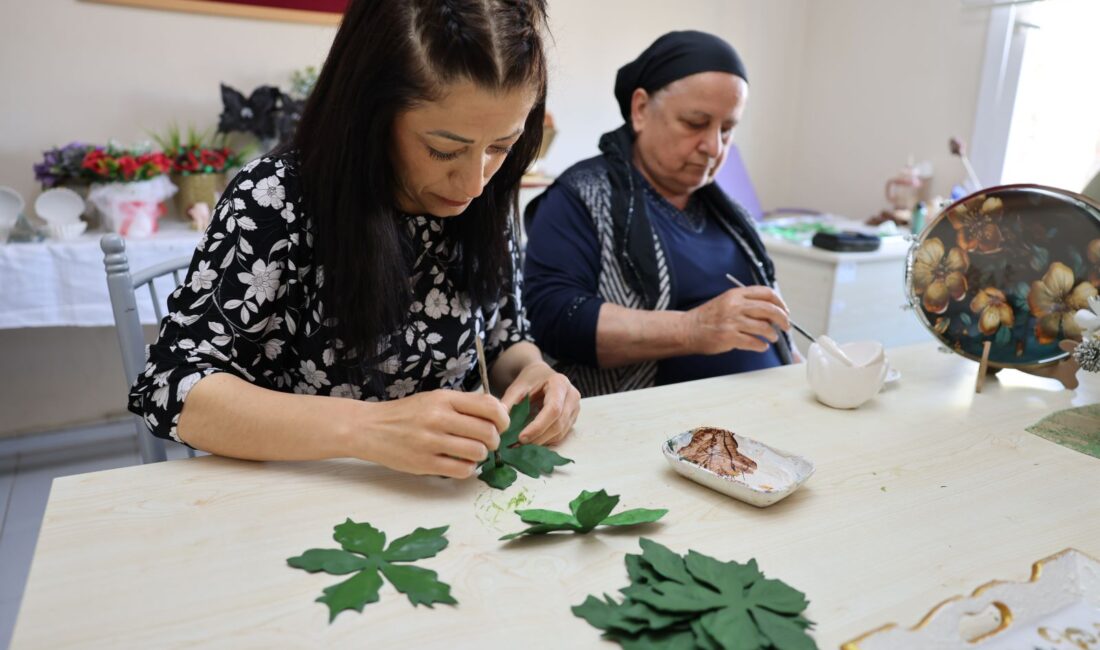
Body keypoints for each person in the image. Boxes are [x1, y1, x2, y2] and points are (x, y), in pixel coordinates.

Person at [129, 0, 580, 479]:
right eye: (443, 149)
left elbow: (501, 336)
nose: (473, 182)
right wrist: (368, 429)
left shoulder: (484, 192)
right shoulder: (278, 198)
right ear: (371, 115)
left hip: (448, 492)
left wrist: (533, 372)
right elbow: (175, 387)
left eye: (502, 147)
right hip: (302, 494)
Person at [523, 30, 798, 397]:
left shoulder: (734, 218)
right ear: (640, 110)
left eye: (728, 129)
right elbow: (554, 318)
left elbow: (777, 333)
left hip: (763, 416)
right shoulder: (581, 197)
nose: (714, 147)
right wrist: (692, 329)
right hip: (649, 430)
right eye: (695, 123)